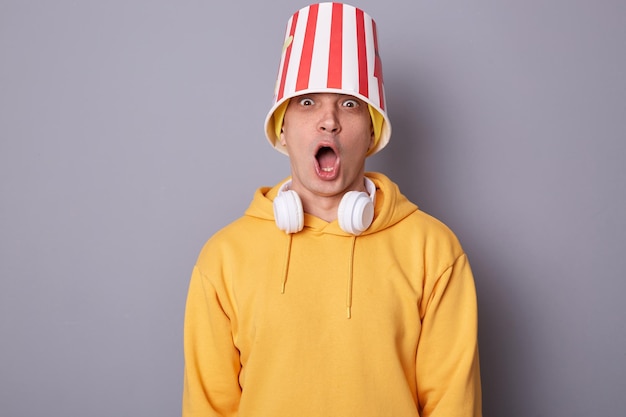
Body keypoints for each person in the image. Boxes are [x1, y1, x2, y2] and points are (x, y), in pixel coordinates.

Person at [182, 2, 482, 416]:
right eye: (307, 103)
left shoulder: (434, 251)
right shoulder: (223, 257)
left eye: (349, 104)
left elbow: (452, 406)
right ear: (281, 129)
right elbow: (207, 408)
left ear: (372, 131)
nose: (329, 121)